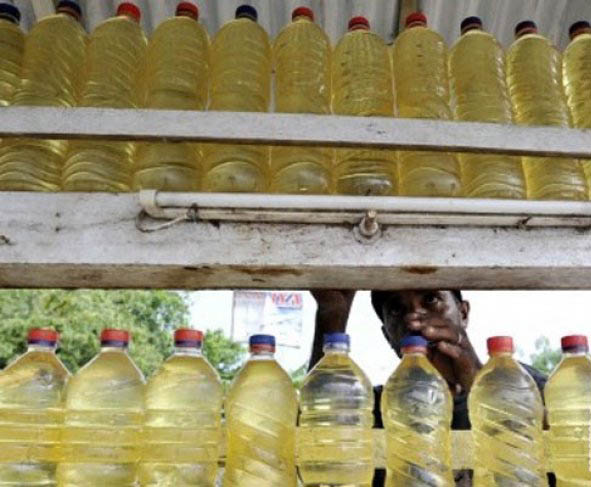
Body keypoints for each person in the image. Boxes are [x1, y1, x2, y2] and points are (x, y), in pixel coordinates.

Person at [309, 289, 554, 487]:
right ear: (387, 335)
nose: (414, 319)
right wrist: (332, 315)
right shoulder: (378, 406)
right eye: (396, 310)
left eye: (431, 299)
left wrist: (478, 382)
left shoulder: (523, 384)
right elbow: (316, 448)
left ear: (463, 312)